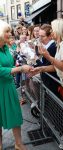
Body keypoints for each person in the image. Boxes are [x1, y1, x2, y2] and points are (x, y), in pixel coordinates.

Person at [0, 20, 31, 150]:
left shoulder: (6, 48)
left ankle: (19, 144)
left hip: (8, 86)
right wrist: (19, 69)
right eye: (7, 31)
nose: (10, 34)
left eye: (9, 31)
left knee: (15, 115)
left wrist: (20, 67)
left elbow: (8, 66)